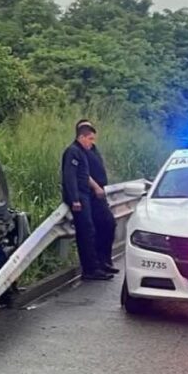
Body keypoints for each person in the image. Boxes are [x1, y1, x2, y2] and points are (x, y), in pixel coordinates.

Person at [62, 123, 113, 281]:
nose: (91, 142)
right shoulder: (73, 151)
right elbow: (69, 177)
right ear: (81, 137)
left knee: (91, 230)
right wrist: (74, 199)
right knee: (86, 232)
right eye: (90, 139)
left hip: (85, 195)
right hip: (80, 196)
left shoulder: (82, 152)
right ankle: (90, 270)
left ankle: (97, 265)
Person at [79, 120, 120, 274]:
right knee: (103, 225)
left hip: (100, 192)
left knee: (108, 226)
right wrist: (95, 186)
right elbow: (84, 172)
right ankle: (99, 263)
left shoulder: (93, 149)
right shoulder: (80, 150)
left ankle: (105, 261)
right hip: (92, 193)